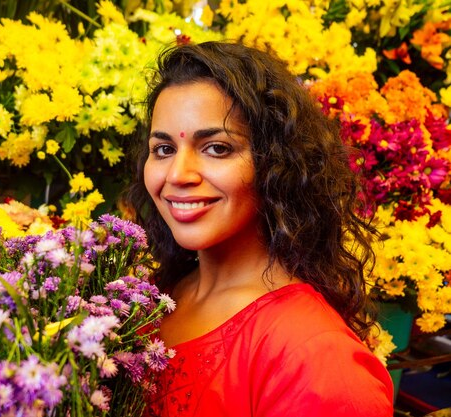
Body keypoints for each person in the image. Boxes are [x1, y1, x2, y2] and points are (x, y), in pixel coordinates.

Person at [123, 41, 394, 416]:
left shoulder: (315, 356)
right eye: (164, 149)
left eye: (216, 148)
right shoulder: (150, 299)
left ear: (275, 165)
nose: (177, 175)